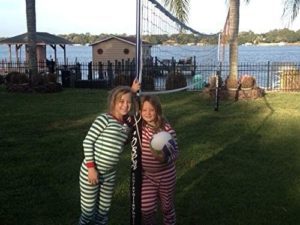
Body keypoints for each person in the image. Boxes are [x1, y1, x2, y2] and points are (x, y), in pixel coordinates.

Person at [78, 81, 140, 225]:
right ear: (113, 102)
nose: (125, 105)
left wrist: (133, 92)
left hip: (109, 175)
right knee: (88, 213)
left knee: (103, 212)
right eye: (121, 101)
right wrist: (91, 168)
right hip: (91, 172)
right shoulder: (104, 119)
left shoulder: (127, 124)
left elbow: (137, 114)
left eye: (128, 103)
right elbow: (87, 142)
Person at [139, 95, 179, 225]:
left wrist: (164, 159)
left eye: (151, 110)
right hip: (148, 176)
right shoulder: (141, 129)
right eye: (144, 110)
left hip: (166, 176)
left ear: (158, 110)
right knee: (146, 208)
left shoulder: (167, 130)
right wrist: (133, 91)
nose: (148, 113)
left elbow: (175, 153)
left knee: (166, 208)